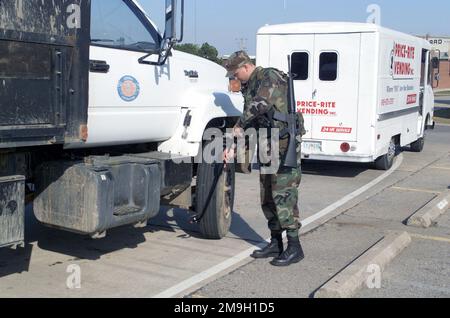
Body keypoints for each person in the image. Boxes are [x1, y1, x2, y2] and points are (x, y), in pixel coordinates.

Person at [223, 51, 305, 267]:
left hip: (284, 143)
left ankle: (295, 247)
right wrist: (233, 148)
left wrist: (239, 124)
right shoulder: (249, 86)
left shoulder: (269, 77)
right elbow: (251, 120)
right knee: (267, 194)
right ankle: (276, 242)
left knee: (283, 194)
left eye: (235, 73)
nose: (235, 78)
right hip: (268, 144)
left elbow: (260, 104)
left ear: (246, 67)